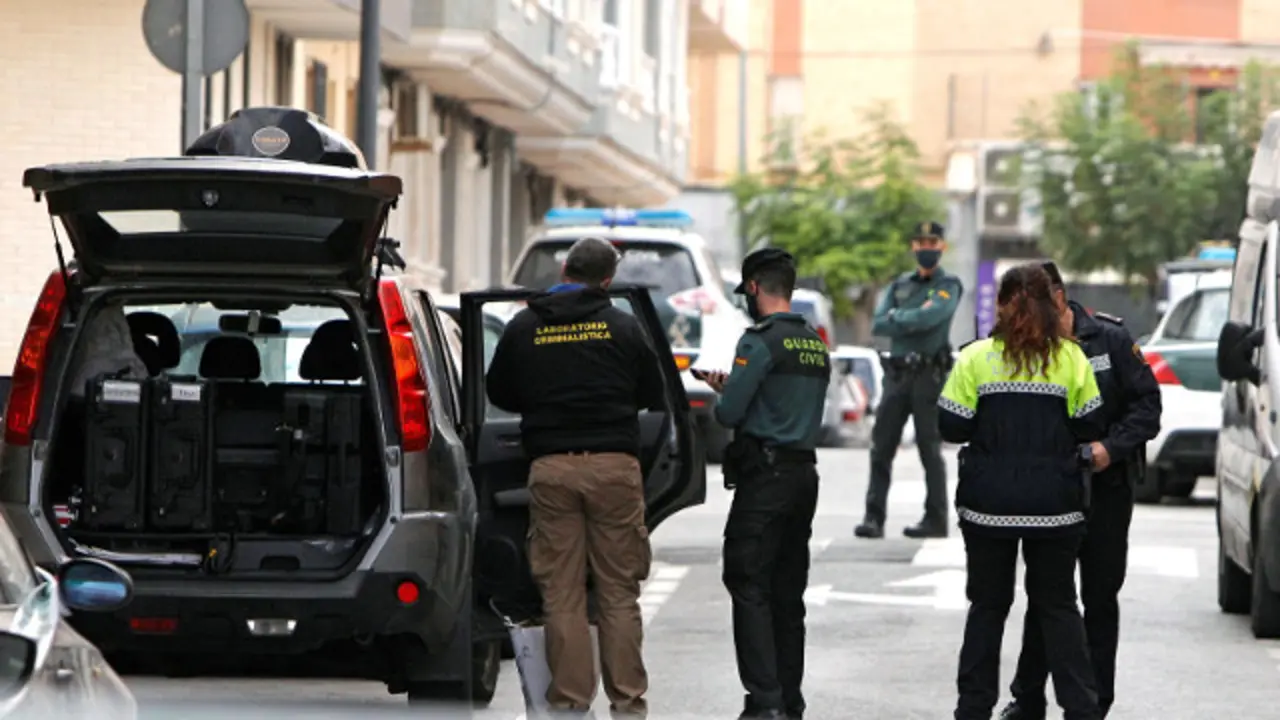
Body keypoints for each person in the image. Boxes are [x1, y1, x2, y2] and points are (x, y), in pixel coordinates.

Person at [486, 236, 667, 718]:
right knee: (618, 592)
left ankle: (568, 705)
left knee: (560, 593)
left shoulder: (525, 326)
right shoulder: (623, 327)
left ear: (564, 268)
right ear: (607, 281)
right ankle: (628, 706)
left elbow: (498, 390)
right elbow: (653, 391)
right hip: (614, 468)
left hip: (551, 469)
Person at [937, 263, 1106, 720]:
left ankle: (973, 709)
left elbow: (951, 424)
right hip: (1055, 507)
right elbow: (1090, 424)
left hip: (988, 506)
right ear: (1050, 305)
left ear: (1005, 304)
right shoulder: (1071, 359)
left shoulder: (976, 358)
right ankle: (1082, 710)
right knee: (1058, 608)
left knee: (987, 609)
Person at [999, 262, 1162, 720]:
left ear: (1059, 295)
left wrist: (1111, 448)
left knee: (1099, 596)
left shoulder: (1109, 338)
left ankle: (1095, 702)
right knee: (1048, 595)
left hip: (1107, 488)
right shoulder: (1033, 343)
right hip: (1053, 489)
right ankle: (1028, 696)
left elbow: (1147, 406)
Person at [701, 248, 829, 720]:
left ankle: (764, 702)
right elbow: (786, 407)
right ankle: (790, 701)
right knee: (787, 593)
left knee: (748, 581)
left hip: (766, 480)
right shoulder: (814, 342)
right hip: (803, 476)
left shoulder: (757, 342)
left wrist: (728, 390)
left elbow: (730, 414)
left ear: (754, 287)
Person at [855, 221, 962, 540]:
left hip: (929, 376)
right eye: (920, 243)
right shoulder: (899, 285)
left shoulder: (949, 284)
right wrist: (911, 318)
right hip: (897, 374)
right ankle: (874, 518)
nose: (926, 248)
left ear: (942, 247)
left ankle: (936, 518)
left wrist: (900, 319)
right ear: (913, 247)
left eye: (932, 242)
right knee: (881, 447)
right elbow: (879, 324)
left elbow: (933, 317)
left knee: (930, 449)